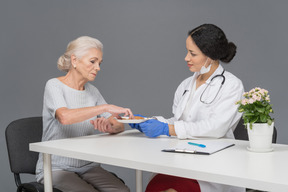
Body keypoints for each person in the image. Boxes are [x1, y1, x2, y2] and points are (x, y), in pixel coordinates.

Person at [130, 24, 245, 192]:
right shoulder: (186, 84)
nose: (186, 58)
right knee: (155, 187)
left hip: (211, 166)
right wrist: (149, 121)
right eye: (187, 51)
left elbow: (216, 128)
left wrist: (166, 128)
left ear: (211, 56)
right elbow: (179, 121)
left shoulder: (231, 85)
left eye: (192, 53)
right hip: (179, 160)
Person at [36, 36, 133, 192]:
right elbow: (65, 117)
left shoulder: (92, 92)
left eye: (100, 63)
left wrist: (111, 126)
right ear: (74, 60)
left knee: (122, 191)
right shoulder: (54, 85)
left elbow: (119, 126)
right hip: (55, 167)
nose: (98, 68)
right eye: (92, 61)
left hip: (88, 165)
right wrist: (104, 108)